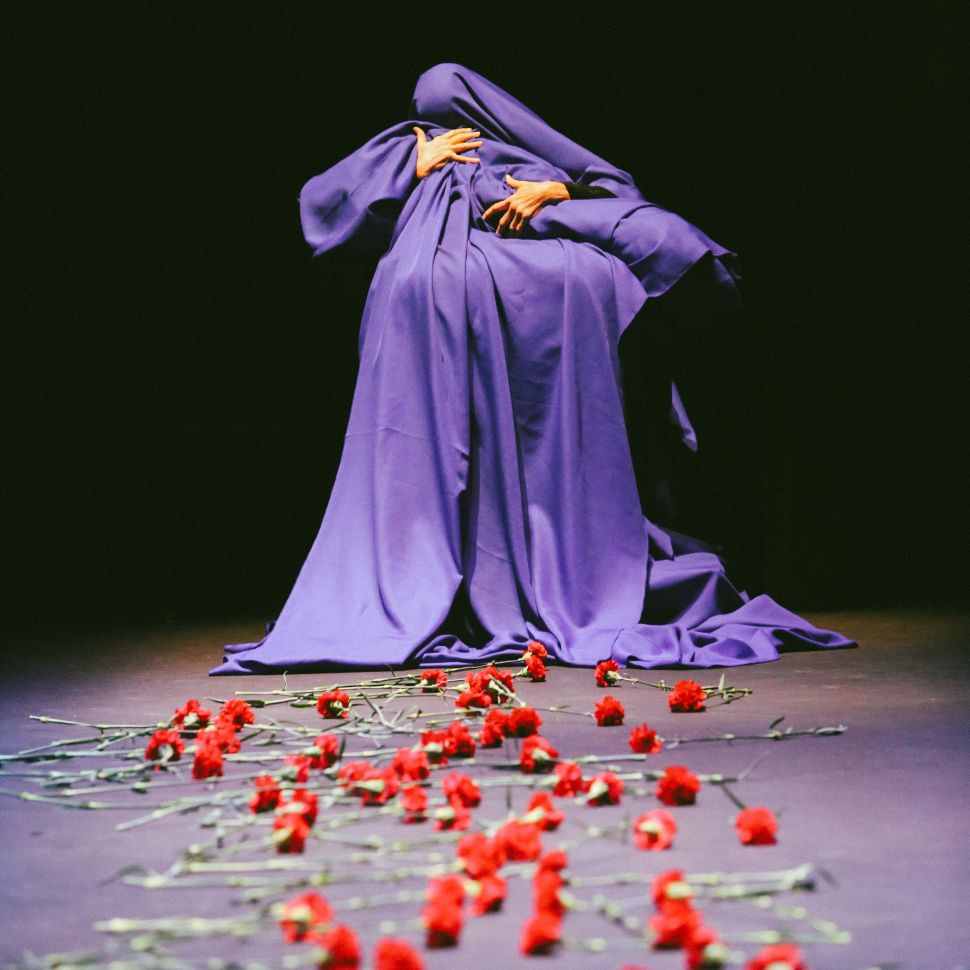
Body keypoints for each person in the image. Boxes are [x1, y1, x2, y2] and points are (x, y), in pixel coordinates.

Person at [209, 63, 856, 675]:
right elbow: (322, 203)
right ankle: (446, 574)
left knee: (571, 288)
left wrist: (555, 190)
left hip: (519, 303)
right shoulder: (402, 146)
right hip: (439, 297)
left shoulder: (526, 151)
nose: (444, 123)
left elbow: (610, 186)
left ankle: (540, 564)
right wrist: (411, 164)